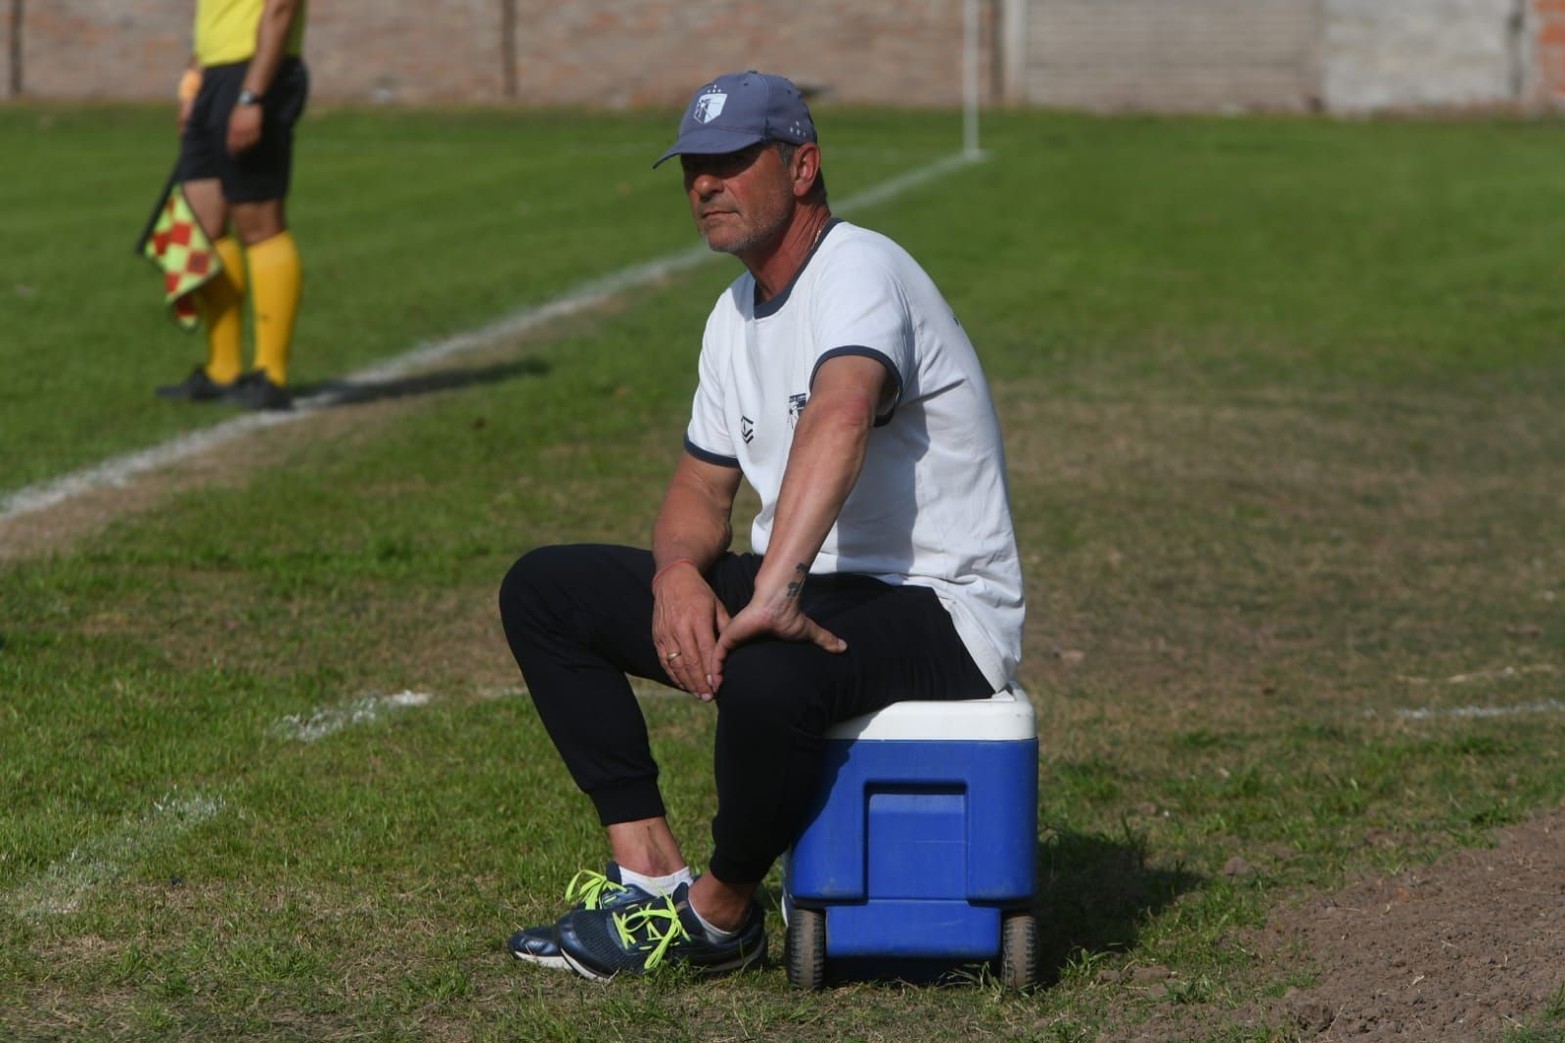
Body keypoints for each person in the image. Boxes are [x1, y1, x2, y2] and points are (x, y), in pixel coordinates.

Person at [498, 70, 1025, 980]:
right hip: (813, 579)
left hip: (938, 602)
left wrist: (772, 587)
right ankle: (650, 878)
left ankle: (721, 914)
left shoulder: (859, 268)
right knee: (548, 591)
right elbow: (701, 492)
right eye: (693, 168)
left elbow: (842, 411)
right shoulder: (731, 314)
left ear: (804, 165)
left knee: (770, 672)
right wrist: (675, 576)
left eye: (733, 162)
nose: (705, 184)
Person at [155, 0, 308, 412]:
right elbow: (211, 19)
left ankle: (270, 374)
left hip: (255, 75)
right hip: (215, 78)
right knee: (204, 224)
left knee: (258, 222)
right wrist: (193, 84)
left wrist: (251, 95)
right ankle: (223, 369)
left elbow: (280, 10)